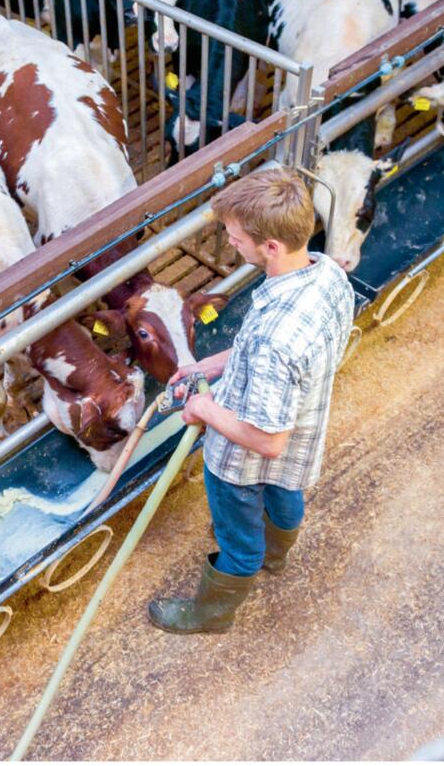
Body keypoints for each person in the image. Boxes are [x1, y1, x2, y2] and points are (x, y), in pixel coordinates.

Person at [147, 167, 355, 635]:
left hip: (241, 462)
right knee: (286, 498)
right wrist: (210, 366)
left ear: (272, 247)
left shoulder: (273, 341)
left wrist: (202, 409)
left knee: (238, 540)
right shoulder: (326, 275)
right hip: (305, 433)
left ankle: (212, 612)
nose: (231, 241)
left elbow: (268, 442)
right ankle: (276, 556)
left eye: (236, 236)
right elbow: (264, 353)